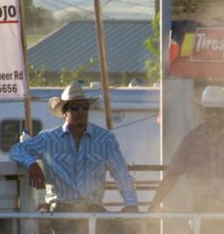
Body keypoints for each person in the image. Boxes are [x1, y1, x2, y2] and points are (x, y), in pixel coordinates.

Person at [9, 80, 140, 214]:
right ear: (65, 112)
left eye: (84, 107)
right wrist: (31, 164)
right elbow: (16, 149)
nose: (81, 111)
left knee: (123, 232)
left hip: (93, 208)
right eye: (75, 108)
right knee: (70, 224)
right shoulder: (48, 138)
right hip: (61, 207)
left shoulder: (105, 139)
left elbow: (121, 172)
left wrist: (131, 203)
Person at [152, 85, 224, 215]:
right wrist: (155, 204)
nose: (214, 115)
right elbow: (172, 174)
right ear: (203, 111)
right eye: (210, 110)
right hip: (202, 209)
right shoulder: (191, 139)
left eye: (218, 111)